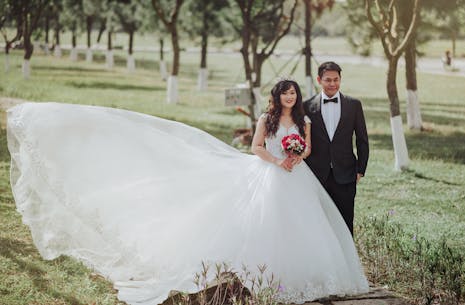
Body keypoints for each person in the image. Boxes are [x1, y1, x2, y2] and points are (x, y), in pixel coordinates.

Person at [6, 80, 368, 305]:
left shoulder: (303, 120)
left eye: (293, 93)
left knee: (303, 227)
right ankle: (260, 276)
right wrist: (277, 161)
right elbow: (256, 148)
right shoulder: (266, 120)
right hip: (270, 173)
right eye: (285, 92)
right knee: (264, 223)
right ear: (278, 95)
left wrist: (296, 156)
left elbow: (306, 148)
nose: (290, 97)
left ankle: (303, 277)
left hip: (297, 176)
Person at [304, 62, 369, 236]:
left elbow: (362, 139)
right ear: (319, 80)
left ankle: (347, 261)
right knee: (318, 222)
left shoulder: (354, 105)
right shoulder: (306, 107)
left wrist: (360, 170)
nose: (332, 84)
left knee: (346, 222)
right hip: (316, 174)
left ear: (340, 79)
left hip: (346, 174)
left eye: (336, 80)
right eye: (328, 80)